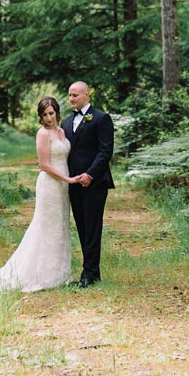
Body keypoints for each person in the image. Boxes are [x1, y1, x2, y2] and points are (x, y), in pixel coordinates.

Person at [0, 97, 79, 293]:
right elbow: (45, 165)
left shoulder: (62, 131)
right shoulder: (42, 134)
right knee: (45, 227)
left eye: (51, 113)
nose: (49, 118)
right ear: (40, 117)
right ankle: (39, 274)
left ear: (56, 112)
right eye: (45, 115)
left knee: (60, 226)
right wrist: (68, 179)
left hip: (62, 187)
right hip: (51, 185)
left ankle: (59, 273)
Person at [62, 81, 114, 288]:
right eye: (69, 95)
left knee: (93, 227)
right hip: (73, 183)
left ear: (86, 95)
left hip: (95, 183)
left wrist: (90, 175)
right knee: (82, 227)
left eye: (75, 95)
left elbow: (105, 151)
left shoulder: (101, 118)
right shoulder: (65, 123)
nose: (71, 98)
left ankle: (90, 274)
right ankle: (89, 272)